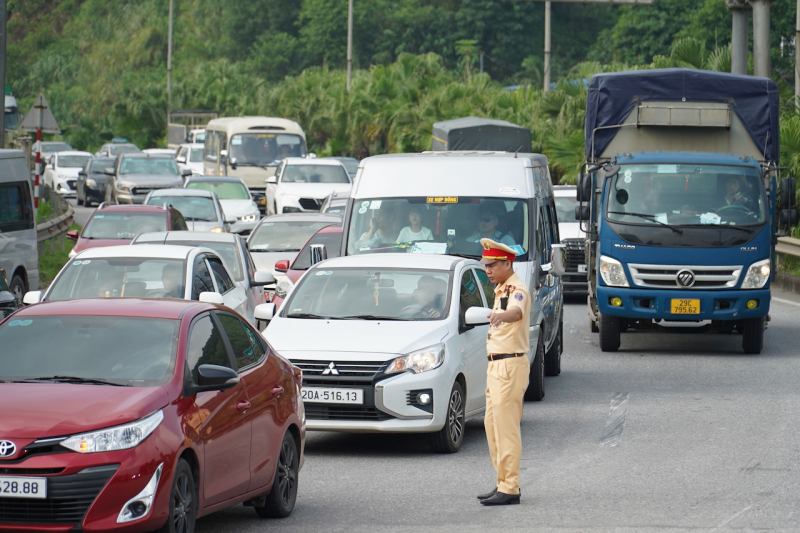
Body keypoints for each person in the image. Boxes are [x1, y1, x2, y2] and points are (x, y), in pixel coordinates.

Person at [477, 238, 531, 507]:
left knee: (506, 428)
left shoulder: (516, 289)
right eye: (484, 264)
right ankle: (503, 482)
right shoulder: (500, 288)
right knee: (492, 426)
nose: (487, 269)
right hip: (497, 365)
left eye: (491, 265)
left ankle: (510, 487)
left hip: (510, 364)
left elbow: (516, 313)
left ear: (507, 263)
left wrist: (501, 316)